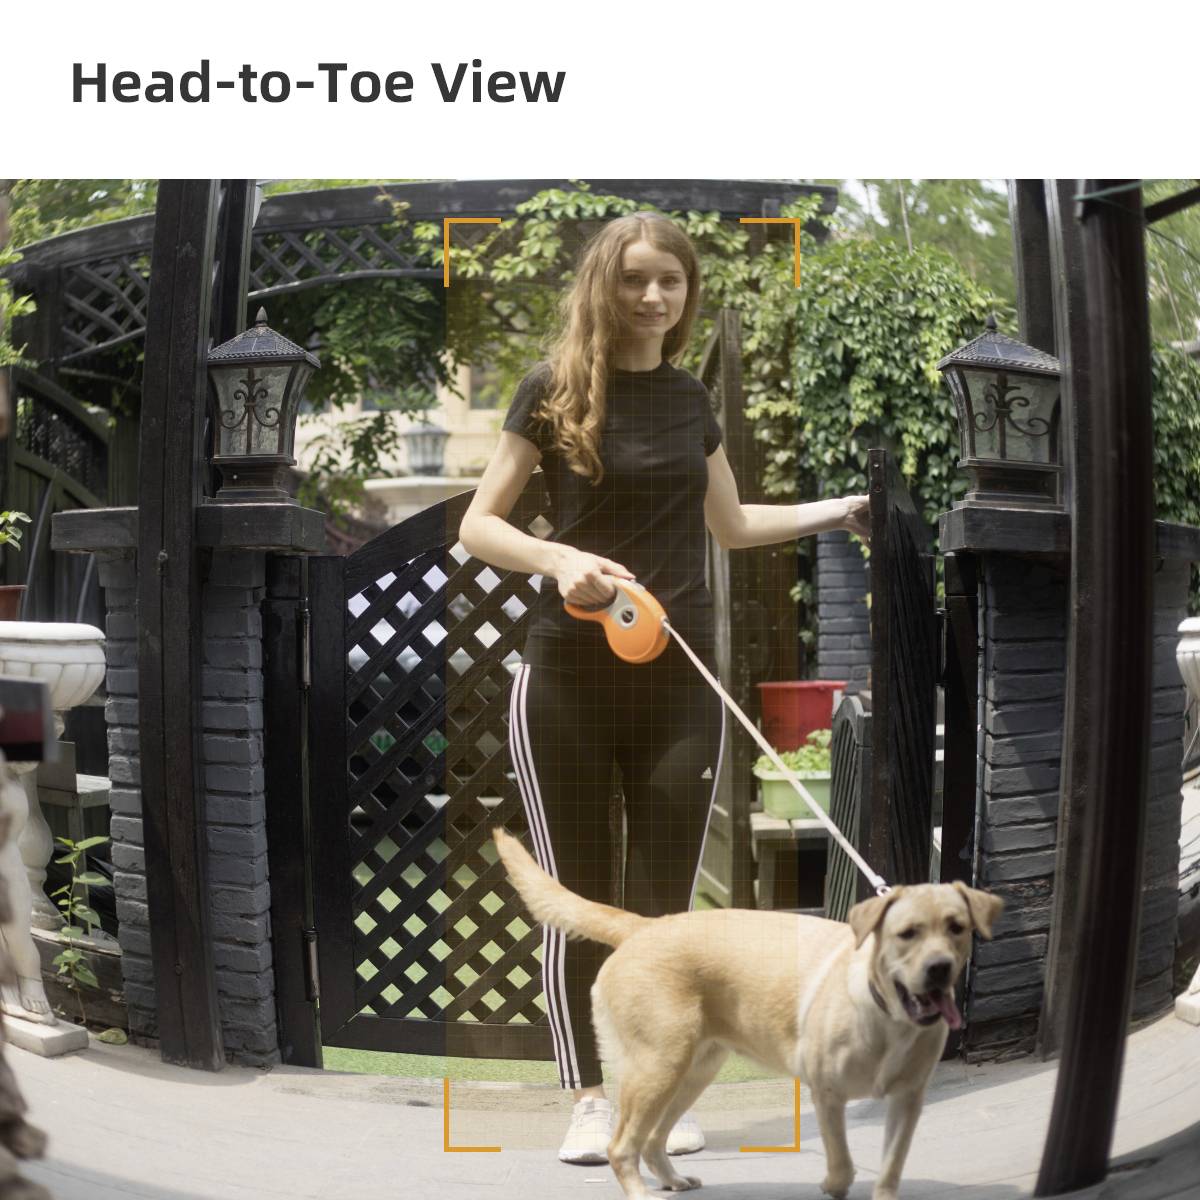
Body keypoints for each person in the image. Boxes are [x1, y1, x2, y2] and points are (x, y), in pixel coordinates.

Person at [458, 211, 869, 1164]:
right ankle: (593, 1098)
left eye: (671, 283)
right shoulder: (553, 390)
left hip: (678, 685)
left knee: (664, 903)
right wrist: (559, 560)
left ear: (688, 295)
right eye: (636, 279)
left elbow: (728, 524)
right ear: (606, 284)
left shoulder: (691, 400)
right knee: (580, 891)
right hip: (566, 674)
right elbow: (480, 526)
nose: (653, 297)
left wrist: (834, 508)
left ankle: (664, 1088)